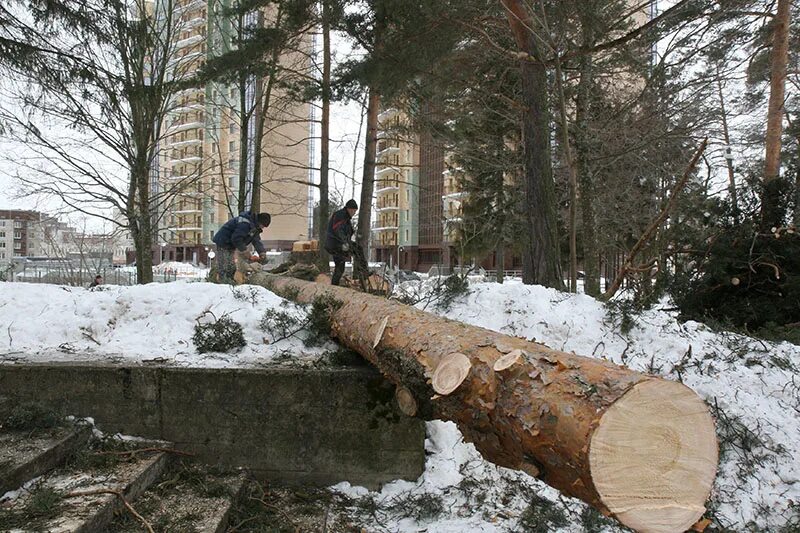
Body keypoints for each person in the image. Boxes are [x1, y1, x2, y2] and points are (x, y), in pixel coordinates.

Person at [212, 210, 271, 282]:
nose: (263, 228)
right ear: (259, 222)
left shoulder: (254, 227)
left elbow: (256, 241)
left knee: (231, 265)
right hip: (223, 242)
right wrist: (244, 250)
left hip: (230, 244)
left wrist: (262, 252)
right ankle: (222, 282)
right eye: (263, 226)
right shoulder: (245, 224)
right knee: (225, 265)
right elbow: (236, 238)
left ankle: (229, 281)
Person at [325, 199, 357, 286]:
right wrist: (345, 242)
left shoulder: (346, 218)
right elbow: (338, 229)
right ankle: (334, 287)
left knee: (358, 250)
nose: (354, 213)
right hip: (335, 244)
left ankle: (363, 272)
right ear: (349, 209)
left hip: (338, 243)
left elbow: (348, 232)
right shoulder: (341, 215)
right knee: (340, 266)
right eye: (353, 211)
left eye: (355, 211)